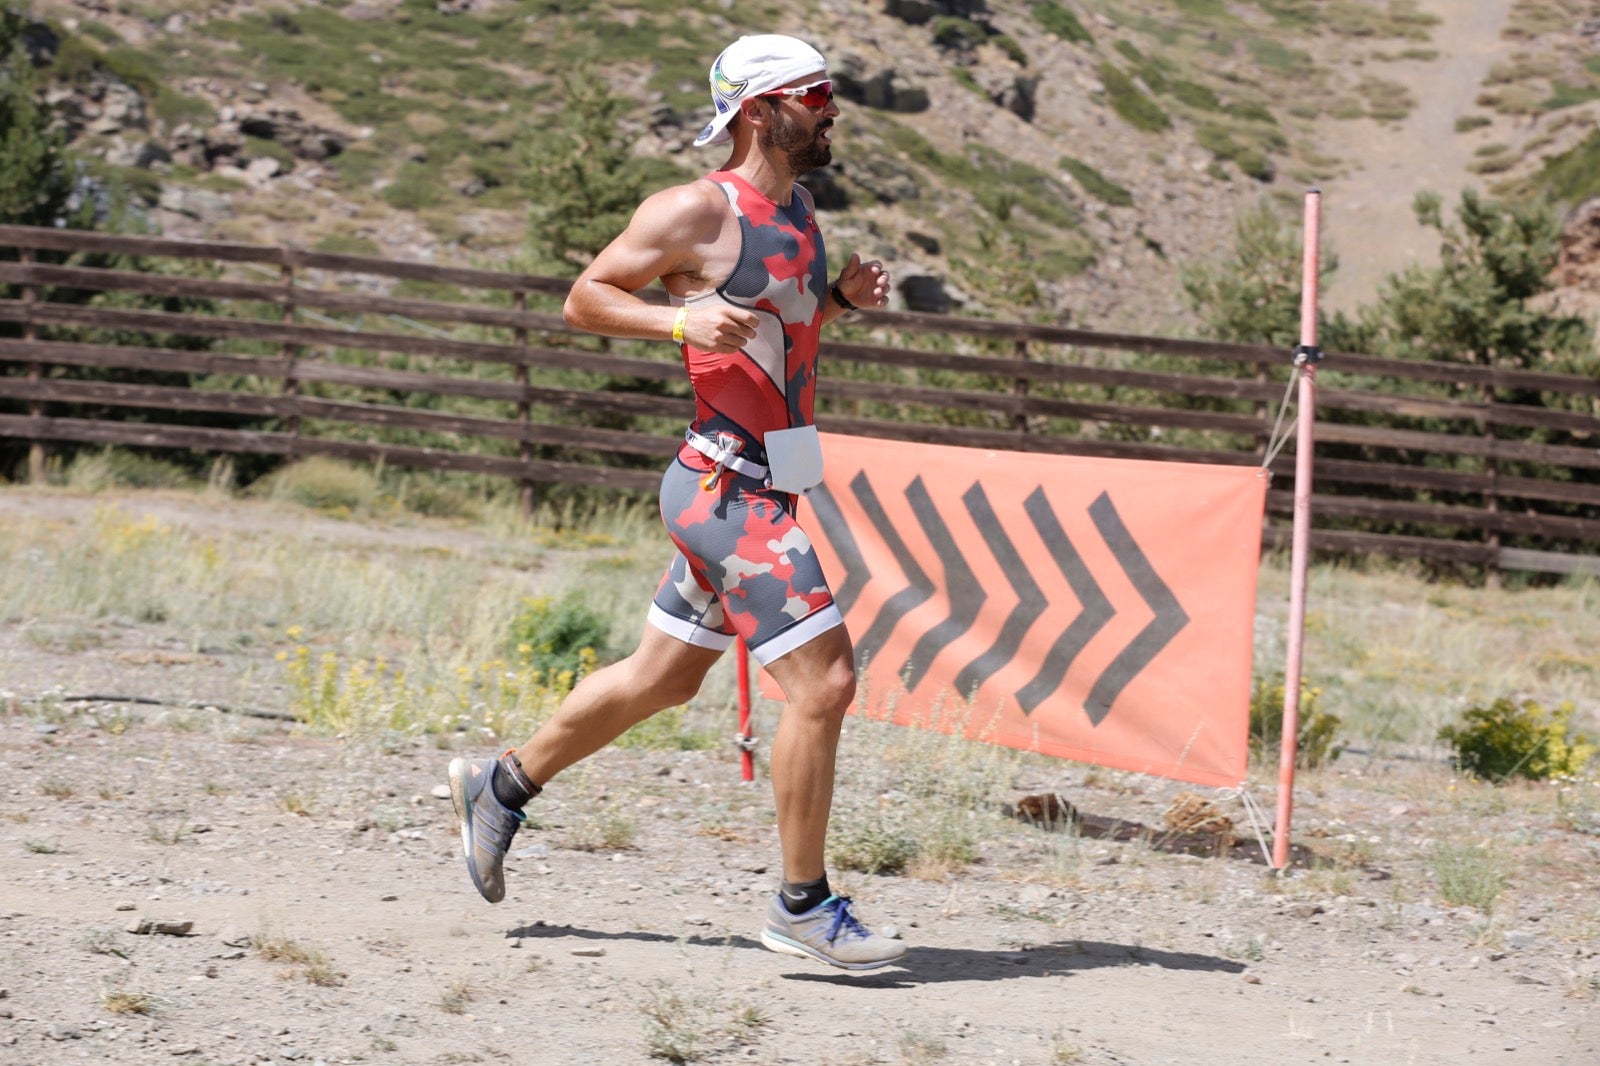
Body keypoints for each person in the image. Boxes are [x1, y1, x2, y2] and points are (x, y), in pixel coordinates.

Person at [448, 33, 904, 971]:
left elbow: (779, 325)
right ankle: (803, 906)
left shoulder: (804, 211)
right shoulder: (694, 210)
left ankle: (502, 784)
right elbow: (585, 297)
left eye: (830, 91)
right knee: (825, 684)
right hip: (725, 490)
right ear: (759, 109)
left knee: (662, 678)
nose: (832, 107)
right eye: (815, 93)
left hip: (764, 481)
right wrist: (676, 317)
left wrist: (843, 303)